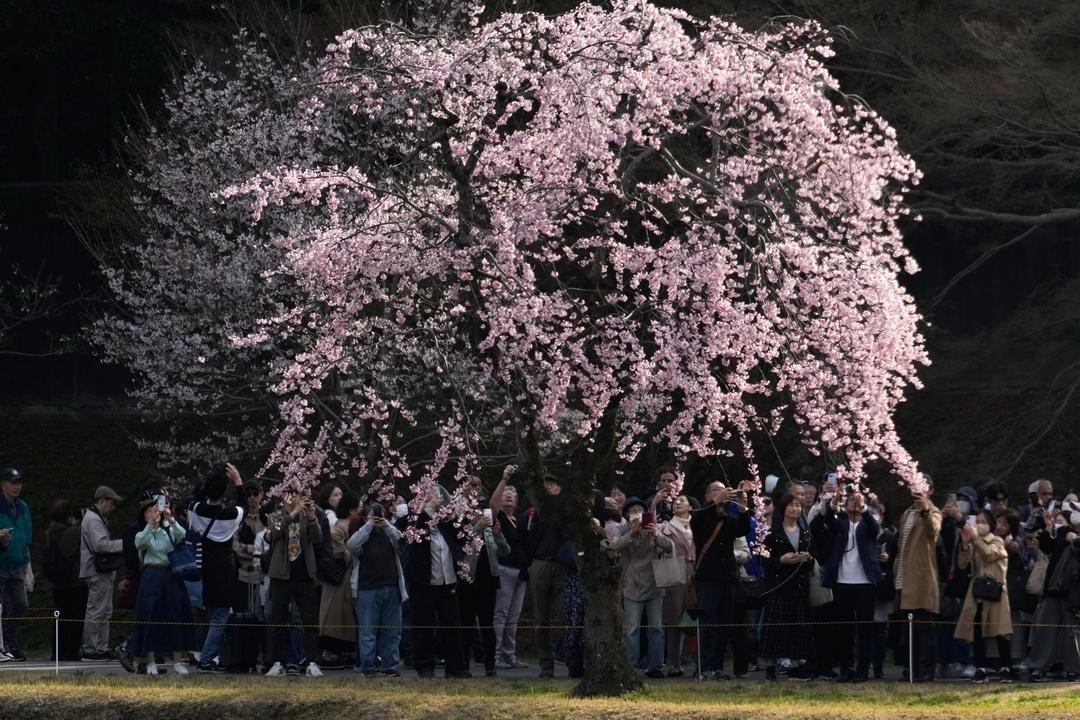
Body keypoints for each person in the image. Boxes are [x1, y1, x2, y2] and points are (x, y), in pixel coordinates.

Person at [400, 484, 469, 678]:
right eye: (430, 497)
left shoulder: (445, 523)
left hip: (448, 581)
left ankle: (456, 667)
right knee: (423, 625)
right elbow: (412, 537)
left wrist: (452, 513)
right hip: (424, 582)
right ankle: (424, 666)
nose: (436, 500)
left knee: (452, 625)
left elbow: (462, 537)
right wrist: (427, 510)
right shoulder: (412, 520)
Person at [127, 494, 197, 675]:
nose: (153, 513)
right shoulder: (144, 533)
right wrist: (151, 525)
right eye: (148, 511)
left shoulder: (168, 530)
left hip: (170, 575)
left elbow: (182, 537)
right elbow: (139, 543)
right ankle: (150, 661)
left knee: (175, 615)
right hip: (151, 575)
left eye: (154, 510)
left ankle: (177, 661)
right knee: (150, 616)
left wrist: (170, 518)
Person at [690, 480, 753, 679]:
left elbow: (742, 529)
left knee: (724, 624)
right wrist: (714, 503)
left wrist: (743, 507)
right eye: (717, 490)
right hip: (708, 577)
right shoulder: (701, 516)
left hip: (728, 578)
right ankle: (704, 667)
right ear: (708, 495)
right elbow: (697, 519)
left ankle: (716, 666)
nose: (723, 493)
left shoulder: (727, 518)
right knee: (707, 623)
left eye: (725, 490)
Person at [188, 463, 247, 672]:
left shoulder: (196, 510)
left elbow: (192, 501)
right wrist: (238, 482)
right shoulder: (230, 514)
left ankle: (220, 658)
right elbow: (244, 506)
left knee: (215, 615)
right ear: (224, 491)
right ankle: (206, 658)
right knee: (221, 616)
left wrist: (209, 483)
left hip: (205, 565)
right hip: (224, 567)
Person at [820, 488, 882, 682]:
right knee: (844, 629)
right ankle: (845, 669)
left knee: (865, 629)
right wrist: (833, 502)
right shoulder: (841, 524)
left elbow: (875, 530)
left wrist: (863, 508)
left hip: (865, 582)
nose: (853, 504)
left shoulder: (868, 524)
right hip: (842, 581)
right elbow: (828, 521)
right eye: (850, 502)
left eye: (857, 502)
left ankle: (863, 670)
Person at [608, 496, 673, 678]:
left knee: (656, 628)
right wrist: (632, 534)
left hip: (654, 585)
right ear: (626, 513)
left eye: (640, 509)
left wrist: (657, 535)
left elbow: (670, 548)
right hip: (631, 585)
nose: (636, 513)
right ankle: (631, 666)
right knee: (631, 629)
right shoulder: (621, 529)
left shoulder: (653, 527)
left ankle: (656, 666)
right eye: (632, 510)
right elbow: (614, 547)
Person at [264, 491, 324, 677]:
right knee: (278, 620)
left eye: (298, 494)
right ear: (284, 497)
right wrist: (293, 513)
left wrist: (312, 517)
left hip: (304, 575)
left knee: (310, 620)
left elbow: (318, 539)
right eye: (290, 494)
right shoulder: (276, 515)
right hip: (281, 575)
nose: (295, 498)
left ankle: (312, 661)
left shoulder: (307, 516)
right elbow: (275, 532)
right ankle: (277, 661)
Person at [759, 492, 814, 680]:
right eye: (791, 505)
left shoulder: (805, 531)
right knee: (775, 627)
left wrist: (805, 559)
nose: (795, 509)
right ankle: (770, 667)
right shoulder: (772, 531)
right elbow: (762, 558)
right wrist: (780, 560)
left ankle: (796, 667)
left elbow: (811, 555)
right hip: (778, 585)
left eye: (798, 505)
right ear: (783, 508)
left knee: (798, 628)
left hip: (799, 584)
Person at [348, 500, 407, 677]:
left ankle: (390, 666)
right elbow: (351, 545)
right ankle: (367, 667)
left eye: (380, 514)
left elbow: (404, 541)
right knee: (368, 632)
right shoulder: (363, 536)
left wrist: (387, 524)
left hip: (392, 588)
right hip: (367, 589)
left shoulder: (390, 534)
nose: (377, 517)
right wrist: (368, 525)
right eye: (373, 514)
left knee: (392, 632)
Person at [954, 509, 1013, 682]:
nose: (978, 525)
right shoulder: (974, 543)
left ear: (990, 524)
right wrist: (965, 544)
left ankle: (1006, 667)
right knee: (977, 631)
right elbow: (962, 564)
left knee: (1000, 632)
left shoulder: (997, 541)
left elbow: (988, 555)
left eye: (982, 521)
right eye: (976, 521)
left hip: (995, 593)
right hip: (977, 593)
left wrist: (975, 539)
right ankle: (981, 667)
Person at [892, 479, 942, 682]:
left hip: (922, 578)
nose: (917, 491)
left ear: (930, 490)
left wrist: (925, 510)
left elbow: (933, 529)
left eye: (922, 487)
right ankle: (910, 668)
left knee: (925, 628)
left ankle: (926, 671)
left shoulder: (933, 512)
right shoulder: (906, 513)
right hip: (903, 576)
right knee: (908, 628)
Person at [1026, 500, 1080, 681]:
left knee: (1073, 632)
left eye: (1061, 520)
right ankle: (1037, 666)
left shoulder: (1070, 533)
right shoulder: (1061, 534)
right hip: (1054, 589)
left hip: (1075, 593)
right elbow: (1047, 546)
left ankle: (1074, 668)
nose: (1058, 523)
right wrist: (1049, 528)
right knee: (1045, 630)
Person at [458, 498, 511, 676]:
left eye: (482, 510)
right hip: (467, 582)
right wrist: (478, 527)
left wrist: (498, 534)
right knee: (466, 623)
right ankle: (464, 663)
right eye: (476, 510)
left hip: (489, 581)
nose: (479, 513)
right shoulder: (464, 529)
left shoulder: (489, 532)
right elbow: (461, 547)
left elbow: (506, 552)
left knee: (488, 623)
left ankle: (490, 663)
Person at [526, 474, 568, 678]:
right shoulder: (533, 514)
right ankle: (546, 663)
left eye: (554, 484)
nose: (550, 487)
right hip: (540, 563)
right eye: (547, 485)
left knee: (565, 615)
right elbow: (523, 540)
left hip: (562, 565)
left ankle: (567, 656)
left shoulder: (567, 512)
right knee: (540, 619)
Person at [79, 485, 125, 661]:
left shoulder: (96, 518)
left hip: (101, 571)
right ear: (102, 501)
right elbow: (100, 545)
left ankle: (101, 647)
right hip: (97, 571)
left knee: (104, 610)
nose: (112, 508)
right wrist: (124, 544)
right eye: (111, 503)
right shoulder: (93, 519)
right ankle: (92, 649)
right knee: (97, 610)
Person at [318, 491, 360, 662]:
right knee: (335, 614)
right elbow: (335, 540)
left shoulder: (349, 524)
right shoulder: (343, 525)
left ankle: (344, 650)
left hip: (346, 576)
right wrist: (346, 553)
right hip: (340, 576)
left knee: (345, 614)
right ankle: (331, 650)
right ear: (351, 510)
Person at [44, 498, 88, 661]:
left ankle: (57, 651)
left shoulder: (49, 532)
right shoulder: (74, 532)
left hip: (58, 583)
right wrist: (82, 519)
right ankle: (71, 652)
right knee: (75, 619)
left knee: (60, 619)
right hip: (75, 582)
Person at [658, 494, 695, 677]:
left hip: (694, 575)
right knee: (672, 620)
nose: (677, 503)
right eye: (675, 501)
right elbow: (652, 533)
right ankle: (674, 663)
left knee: (693, 617)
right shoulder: (666, 526)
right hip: (673, 573)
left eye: (682, 500)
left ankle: (697, 661)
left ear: (690, 505)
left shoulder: (698, 525)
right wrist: (654, 503)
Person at [493, 486, 530, 670]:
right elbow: (493, 504)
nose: (508, 495)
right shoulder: (498, 517)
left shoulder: (521, 520)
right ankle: (496, 655)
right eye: (505, 493)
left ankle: (510, 655)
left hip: (521, 573)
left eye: (512, 494)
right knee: (501, 614)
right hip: (505, 570)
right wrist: (503, 482)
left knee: (513, 617)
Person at [0, 467, 31, 661]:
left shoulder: (23, 507)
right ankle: (4, 646)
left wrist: (27, 563)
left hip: (18, 564)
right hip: (1, 562)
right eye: (13, 482)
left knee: (21, 604)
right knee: (1, 606)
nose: (16, 486)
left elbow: (27, 535)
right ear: (3, 484)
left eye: (19, 482)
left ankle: (9, 641)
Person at [234, 481, 266, 613]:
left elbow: (269, 547)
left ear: (261, 495)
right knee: (242, 615)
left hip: (263, 576)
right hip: (242, 574)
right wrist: (255, 549)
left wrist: (247, 548)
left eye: (256, 493)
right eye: (249, 494)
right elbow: (235, 547)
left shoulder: (267, 518)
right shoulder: (238, 519)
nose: (252, 497)